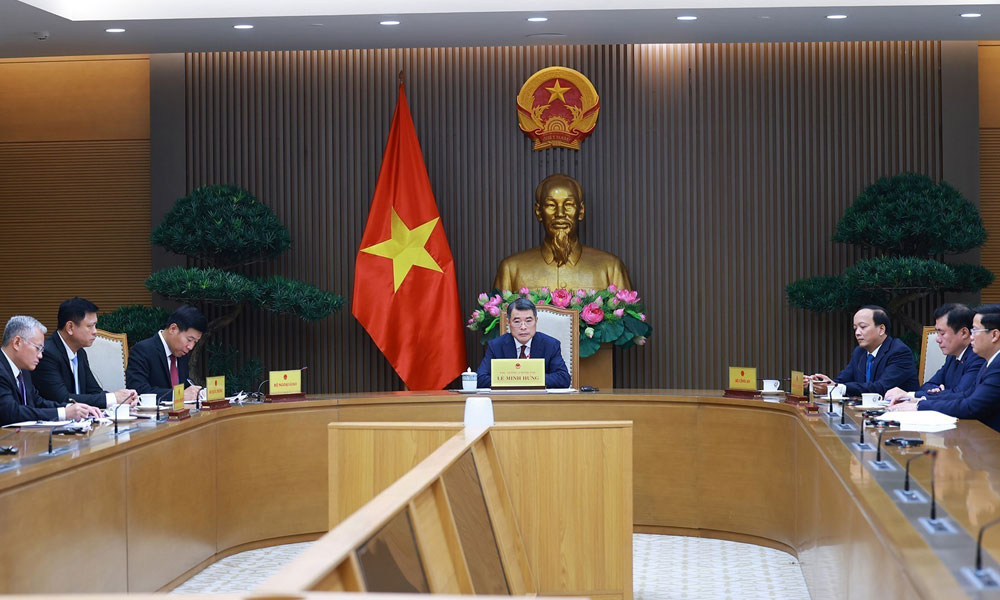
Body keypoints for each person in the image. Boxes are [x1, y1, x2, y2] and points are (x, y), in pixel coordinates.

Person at [493, 174, 632, 291]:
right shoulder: (511, 270)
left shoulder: (611, 269)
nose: (560, 213)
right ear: (539, 212)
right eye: (551, 205)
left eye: (569, 205)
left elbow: (628, 315)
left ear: (581, 211)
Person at [889, 304, 1000, 432]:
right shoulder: (989, 362)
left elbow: (971, 405)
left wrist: (920, 405)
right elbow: (964, 395)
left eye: (975, 330)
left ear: (994, 335)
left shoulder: (995, 365)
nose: (971, 336)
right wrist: (916, 399)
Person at [33, 297, 138, 410]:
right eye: (90, 326)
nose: (95, 332)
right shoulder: (47, 353)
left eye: (95, 325)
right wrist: (113, 398)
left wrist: (124, 398)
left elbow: (94, 392)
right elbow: (62, 399)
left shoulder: (80, 352)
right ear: (70, 327)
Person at [0, 315, 103, 425]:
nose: (40, 356)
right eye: (37, 348)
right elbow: (11, 413)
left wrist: (73, 408)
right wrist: (64, 413)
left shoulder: (23, 371)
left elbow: (37, 402)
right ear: (17, 343)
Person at [806, 305, 918, 397]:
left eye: (863, 327)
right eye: (855, 328)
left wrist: (837, 387)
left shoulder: (899, 352)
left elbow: (881, 387)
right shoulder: (859, 352)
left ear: (881, 329)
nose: (857, 333)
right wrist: (818, 384)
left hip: (898, 412)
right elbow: (841, 381)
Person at [883, 304, 983, 402]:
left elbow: (960, 394)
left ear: (964, 333)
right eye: (937, 333)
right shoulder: (952, 356)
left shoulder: (978, 357)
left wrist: (910, 395)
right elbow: (927, 385)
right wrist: (937, 390)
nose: (937, 339)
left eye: (942, 333)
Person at [476, 297, 571, 388]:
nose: (523, 327)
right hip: (508, 398)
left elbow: (563, 378)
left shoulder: (550, 345)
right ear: (509, 323)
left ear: (536, 321)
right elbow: (480, 379)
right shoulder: (496, 346)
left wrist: (527, 378)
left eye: (528, 321)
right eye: (517, 321)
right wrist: (518, 378)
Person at [125, 305, 206, 402]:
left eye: (195, 342)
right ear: (173, 329)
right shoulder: (142, 350)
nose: (191, 347)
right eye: (189, 339)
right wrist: (178, 395)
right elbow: (138, 391)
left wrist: (197, 393)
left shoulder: (181, 353)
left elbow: (185, 387)